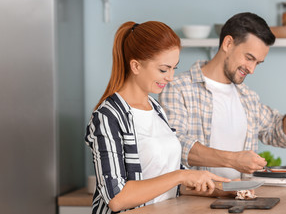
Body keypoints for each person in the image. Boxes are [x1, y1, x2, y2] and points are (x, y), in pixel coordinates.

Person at [84, 21, 231, 214]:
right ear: (136, 66)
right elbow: (116, 198)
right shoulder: (108, 116)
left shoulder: (156, 109)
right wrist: (180, 176)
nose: (170, 77)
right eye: (163, 69)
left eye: (174, 68)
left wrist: (221, 189)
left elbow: (170, 185)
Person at [159, 12, 286, 180]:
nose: (252, 69)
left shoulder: (248, 97)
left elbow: (277, 132)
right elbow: (176, 144)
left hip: (240, 199)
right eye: (249, 58)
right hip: (193, 201)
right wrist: (233, 160)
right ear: (228, 43)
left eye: (257, 63)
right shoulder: (178, 88)